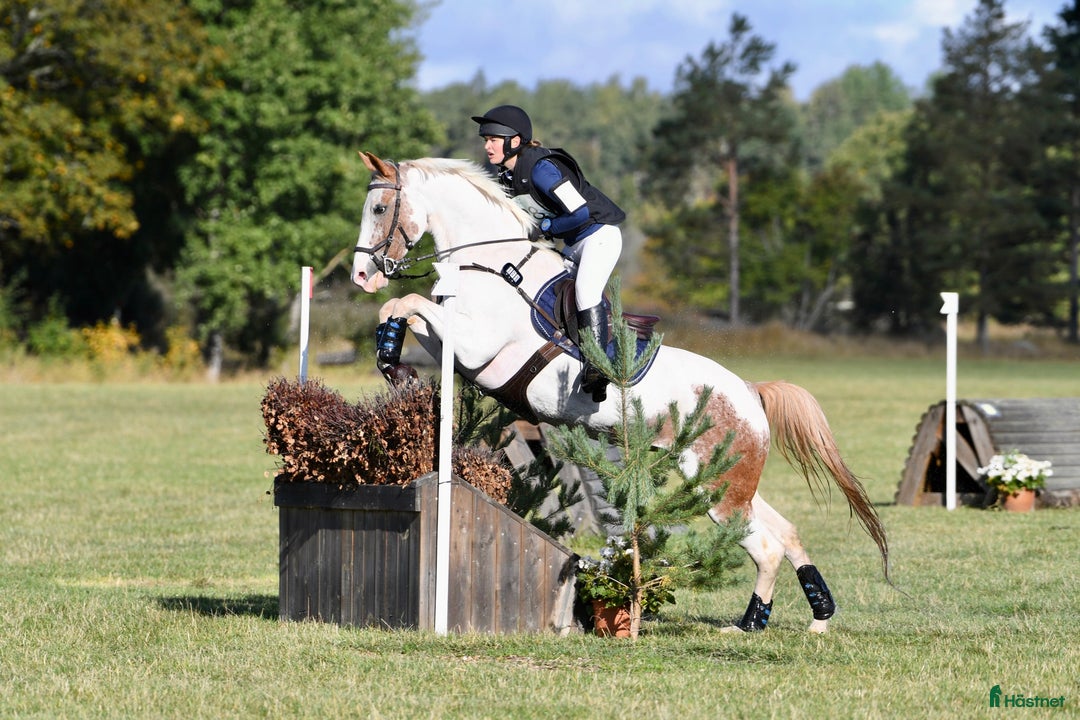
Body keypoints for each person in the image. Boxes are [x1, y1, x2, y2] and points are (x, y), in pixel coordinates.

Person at [471, 104, 626, 403]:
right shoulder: (507, 176)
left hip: (599, 236)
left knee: (585, 291)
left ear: (515, 141)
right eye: (485, 140)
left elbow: (580, 212)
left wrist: (546, 226)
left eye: (493, 139)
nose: (487, 146)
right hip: (573, 244)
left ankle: (598, 366)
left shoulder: (541, 169)